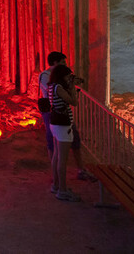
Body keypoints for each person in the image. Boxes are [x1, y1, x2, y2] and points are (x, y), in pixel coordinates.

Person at [36, 51, 95, 184]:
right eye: (63, 62)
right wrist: (71, 86)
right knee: (55, 146)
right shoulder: (47, 77)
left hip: (63, 115)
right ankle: (57, 178)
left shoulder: (58, 80)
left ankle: (80, 170)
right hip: (55, 114)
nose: (65, 65)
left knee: (74, 139)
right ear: (55, 63)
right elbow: (68, 97)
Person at [48, 64, 81, 201]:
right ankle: (62, 190)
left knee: (56, 155)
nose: (69, 78)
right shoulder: (59, 88)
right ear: (62, 76)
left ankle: (56, 185)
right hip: (63, 126)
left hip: (56, 124)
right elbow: (74, 102)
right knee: (63, 159)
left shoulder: (52, 86)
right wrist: (73, 87)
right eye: (68, 76)